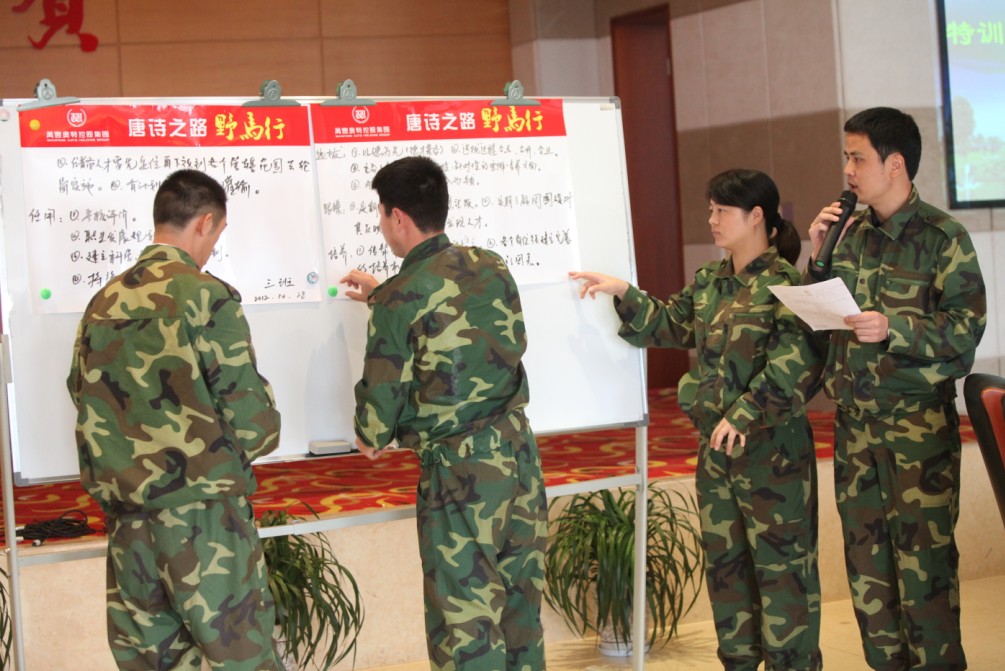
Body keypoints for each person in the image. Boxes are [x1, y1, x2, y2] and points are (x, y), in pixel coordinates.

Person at [571, 169, 823, 671]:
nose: (711, 219)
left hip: (772, 454)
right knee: (727, 573)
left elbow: (796, 364)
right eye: (710, 209)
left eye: (721, 211)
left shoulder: (787, 285)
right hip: (718, 453)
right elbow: (670, 323)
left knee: (782, 574)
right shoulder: (711, 282)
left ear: (756, 216)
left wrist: (745, 413)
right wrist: (624, 292)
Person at [67, 169, 282, 670]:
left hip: (129, 522)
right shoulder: (207, 296)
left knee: (151, 662)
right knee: (241, 658)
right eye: (218, 232)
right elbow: (255, 427)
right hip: (204, 521)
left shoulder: (102, 302)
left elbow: (80, 392)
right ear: (205, 222)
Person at [340, 155, 548, 671]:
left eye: (380, 214)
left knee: (465, 627)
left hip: (459, 476)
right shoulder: (491, 265)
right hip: (520, 456)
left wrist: (369, 434)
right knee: (520, 613)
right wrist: (384, 297)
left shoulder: (398, 301)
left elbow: (375, 425)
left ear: (398, 217)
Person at [805, 107, 985, 670]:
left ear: (896, 164)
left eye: (858, 158)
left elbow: (965, 332)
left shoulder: (943, 238)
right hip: (855, 430)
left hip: (917, 432)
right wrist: (816, 255)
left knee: (924, 570)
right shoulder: (849, 236)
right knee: (867, 570)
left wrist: (895, 328)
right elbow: (821, 319)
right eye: (847, 157)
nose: (848, 170)